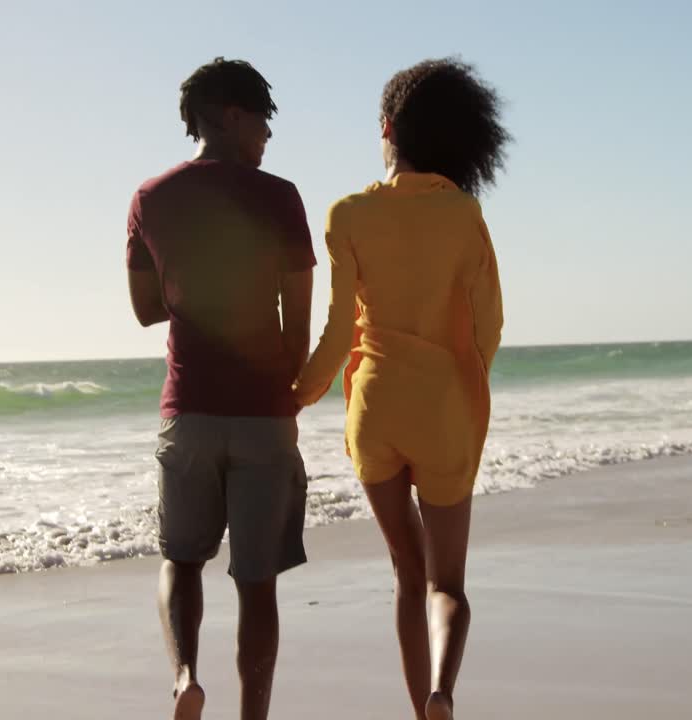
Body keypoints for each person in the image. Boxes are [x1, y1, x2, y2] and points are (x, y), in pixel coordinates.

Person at [293, 58, 508, 720]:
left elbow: (335, 333)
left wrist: (298, 395)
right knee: (449, 585)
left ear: (388, 128)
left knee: (406, 576)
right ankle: (442, 693)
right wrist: (460, 393)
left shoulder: (347, 214)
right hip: (442, 411)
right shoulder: (464, 213)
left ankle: (420, 711)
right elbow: (489, 327)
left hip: (375, 411)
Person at [126, 57, 315, 720]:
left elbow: (146, 310)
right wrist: (285, 387)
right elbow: (299, 323)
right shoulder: (280, 197)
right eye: (263, 120)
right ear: (231, 116)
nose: (268, 135)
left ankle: (184, 678)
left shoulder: (150, 199)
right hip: (264, 415)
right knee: (256, 585)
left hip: (190, 413)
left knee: (180, 560)